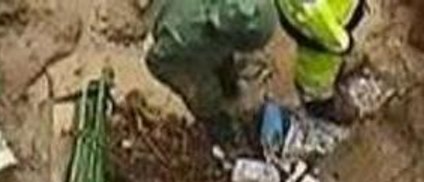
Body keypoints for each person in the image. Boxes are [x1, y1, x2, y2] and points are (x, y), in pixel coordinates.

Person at [146, 0, 277, 143]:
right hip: (170, 56)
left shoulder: (230, 12)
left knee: (227, 69)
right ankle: (219, 128)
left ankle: (229, 89)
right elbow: (156, 58)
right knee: (205, 94)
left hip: (196, 22)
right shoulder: (188, 38)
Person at [274, 0, 368, 123]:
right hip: (317, 29)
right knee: (316, 67)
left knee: (329, 59)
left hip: (331, 18)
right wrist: (341, 42)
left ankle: (332, 75)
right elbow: (311, 13)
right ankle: (317, 100)